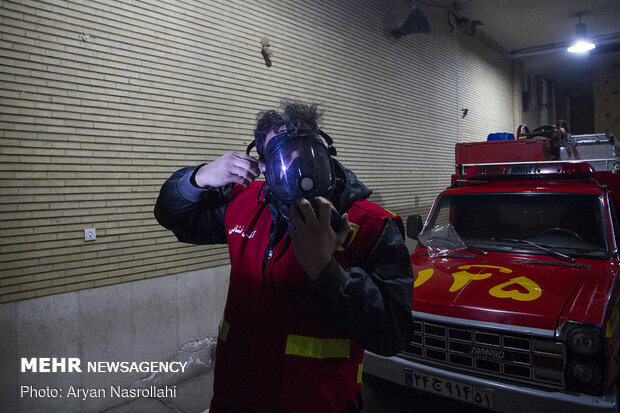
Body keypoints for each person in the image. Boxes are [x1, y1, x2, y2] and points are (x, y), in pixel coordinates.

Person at [154, 100, 414, 413]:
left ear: (323, 149)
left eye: (304, 147)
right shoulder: (244, 205)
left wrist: (326, 271)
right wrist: (199, 178)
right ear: (262, 166)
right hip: (234, 400)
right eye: (281, 152)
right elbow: (174, 216)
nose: (297, 161)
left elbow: (391, 335)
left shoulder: (371, 225)